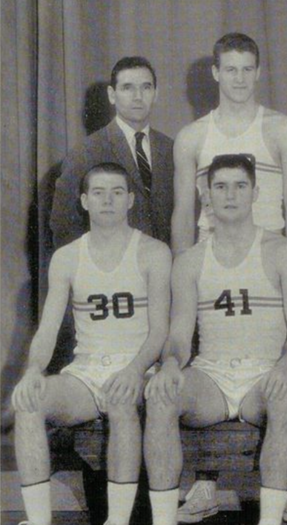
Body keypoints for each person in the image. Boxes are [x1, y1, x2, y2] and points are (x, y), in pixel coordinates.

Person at [144, 155, 287, 525]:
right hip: (213, 378)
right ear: (207, 195)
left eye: (240, 185)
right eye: (221, 186)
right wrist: (170, 363)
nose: (230, 195)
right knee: (160, 393)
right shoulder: (189, 261)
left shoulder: (283, 252)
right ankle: (161, 520)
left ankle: (269, 518)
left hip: (264, 376)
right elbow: (179, 334)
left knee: (284, 395)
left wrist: (285, 366)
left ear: (255, 192)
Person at [14, 163, 171, 525]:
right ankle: (38, 520)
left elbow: (159, 330)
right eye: (98, 193)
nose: (108, 201)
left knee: (120, 402)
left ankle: (116, 521)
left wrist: (135, 369)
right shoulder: (67, 257)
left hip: (138, 369)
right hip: (86, 372)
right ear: (84, 201)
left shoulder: (153, 252)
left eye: (117, 192)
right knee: (29, 402)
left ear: (130, 200)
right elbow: (48, 330)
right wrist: (33, 371)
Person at [171, 32, 287, 252]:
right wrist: (180, 273)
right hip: (211, 252)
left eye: (247, 69)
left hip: (269, 250)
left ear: (258, 72)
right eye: (231, 70)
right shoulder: (191, 136)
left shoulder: (284, 130)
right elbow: (183, 215)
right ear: (216, 73)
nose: (240, 79)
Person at [51, 57, 174, 248]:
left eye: (146, 87)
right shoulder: (86, 152)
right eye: (127, 88)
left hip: (164, 270)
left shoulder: (171, 149)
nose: (138, 96)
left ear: (156, 94)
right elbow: (64, 226)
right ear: (112, 94)